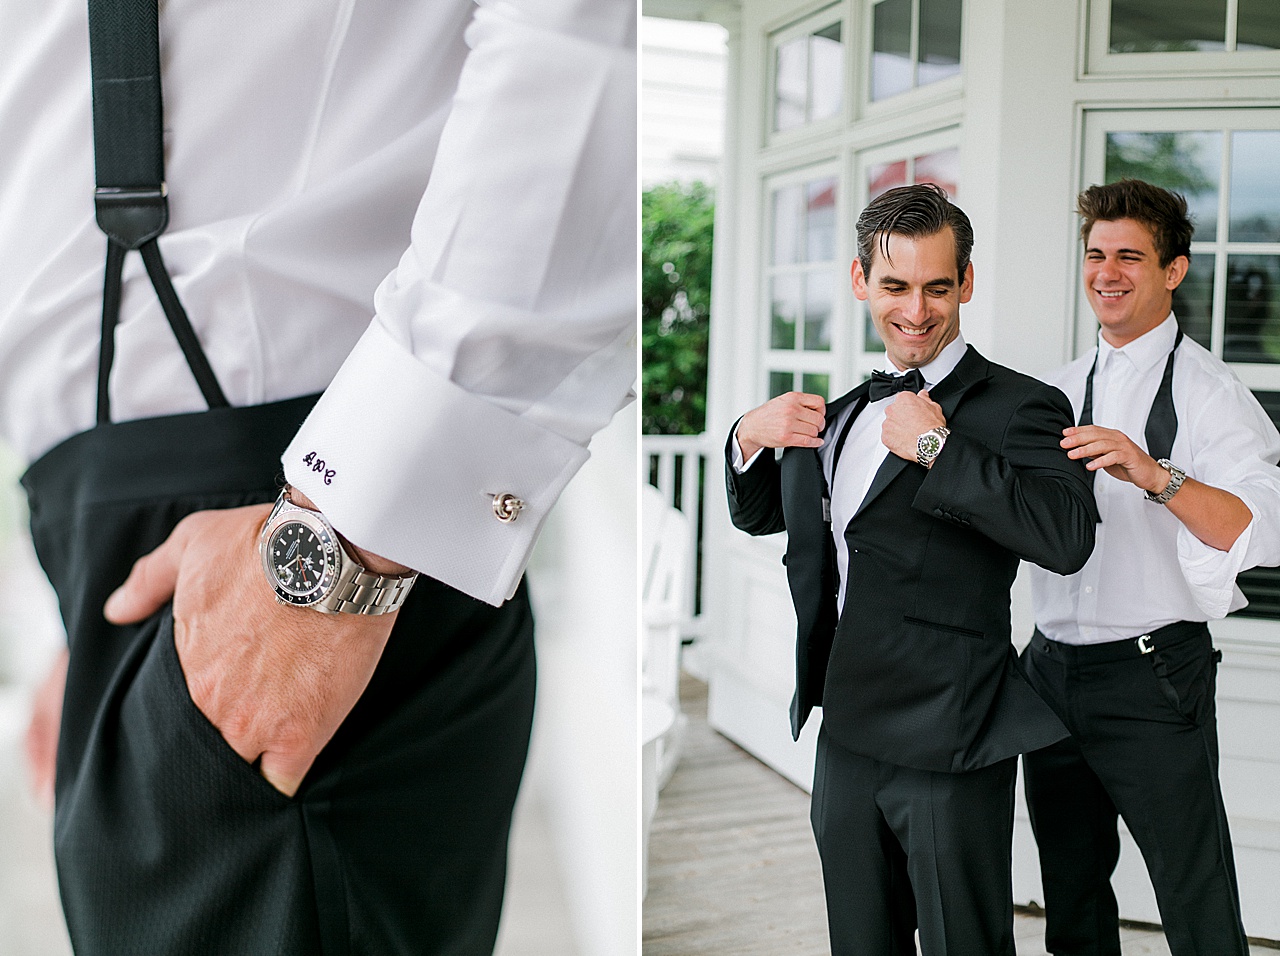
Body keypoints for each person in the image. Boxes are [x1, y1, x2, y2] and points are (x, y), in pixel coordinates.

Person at [2, 0, 636, 953]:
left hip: (321, 530)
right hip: (137, 550)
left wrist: (342, 539)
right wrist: (89, 608)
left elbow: (583, 37)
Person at [725, 183, 1097, 955]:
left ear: (966, 282)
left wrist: (938, 450)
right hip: (845, 732)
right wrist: (746, 434)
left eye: (936, 286)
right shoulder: (851, 409)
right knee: (860, 942)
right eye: (895, 286)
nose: (917, 311)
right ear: (861, 281)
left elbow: (1066, 538)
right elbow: (770, 517)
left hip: (952, 738)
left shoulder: (1022, 404)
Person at [1023, 178, 1280, 956]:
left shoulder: (1212, 393)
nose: (1107, 272)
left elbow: (1258, 526)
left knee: (1194, 897)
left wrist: (1154, 474)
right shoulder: (1054, 392)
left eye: (1129, 256)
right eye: (1096, 254)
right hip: (1048, 676)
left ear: (1173, 271)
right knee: (1069, 897)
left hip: (1151, 679)